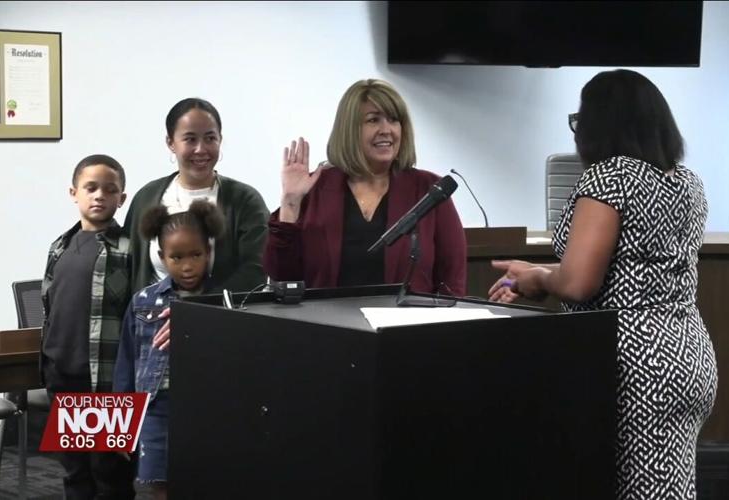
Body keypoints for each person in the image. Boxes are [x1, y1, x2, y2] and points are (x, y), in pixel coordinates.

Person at [489, 69, 717, 499]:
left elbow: (577, 283)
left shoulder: (610, 176)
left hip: (631, 362)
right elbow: (627, 264)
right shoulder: (686, 182)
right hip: (687, 354)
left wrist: (538, 277)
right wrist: (539, 272)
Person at [263, 79, 466, 295]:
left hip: (405, 326)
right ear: (349, 130)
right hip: (328, 324)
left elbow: (452, 280)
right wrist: (291, 202)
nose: (386, 130)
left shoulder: (429, 190)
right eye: (373, 120)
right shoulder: (315, 189)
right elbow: (282, 274)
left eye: (394, 120)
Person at [113, 200, 224, 499]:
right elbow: (126, 363)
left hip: (208, 409)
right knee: (157, 485)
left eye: (196, 255)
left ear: (209, 252)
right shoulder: (143, 301)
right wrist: (121, 426)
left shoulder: (225, 301)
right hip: (156, 409)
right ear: (162, 256)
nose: (187, 266)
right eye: (176, 257)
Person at [41, 154, 136, 498]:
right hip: (61, 373)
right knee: (74, 470)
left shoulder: (128, 249)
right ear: (73, 193)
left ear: (121, 199)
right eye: (91, 188)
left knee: (109, 471)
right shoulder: (59, 246)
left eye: (109, 190)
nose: (99, 196)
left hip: (105, 378)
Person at [124, 97, 269, 294]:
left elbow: (255, 271)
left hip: (222, 319)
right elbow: (129, 266)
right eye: (190, 139)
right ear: (170, 142)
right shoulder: (146, 198)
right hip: (151, 319)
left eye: (210, 138)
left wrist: (198, 311)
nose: (201, 149)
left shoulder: (245, 200)